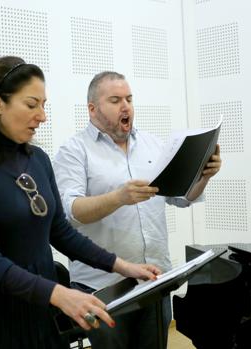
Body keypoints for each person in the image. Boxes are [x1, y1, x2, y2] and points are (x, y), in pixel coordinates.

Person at [0, 56, 162, 349]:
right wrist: (59, 294)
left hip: (35, 308)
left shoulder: (38, 160)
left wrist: (122, 266)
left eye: (43, 105)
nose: (42, 116)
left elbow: (60, 231)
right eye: (32, 105)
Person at [53, 71, 222, 349]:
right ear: (92, 109)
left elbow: (181, 198)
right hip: (102, 288)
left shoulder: (153, 145)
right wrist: (118, 197)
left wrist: (204, 177)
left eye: (129, 99)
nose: (126, 106)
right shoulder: (74, 150)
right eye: (116, 100)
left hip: (154, 283)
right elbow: (72, 211)